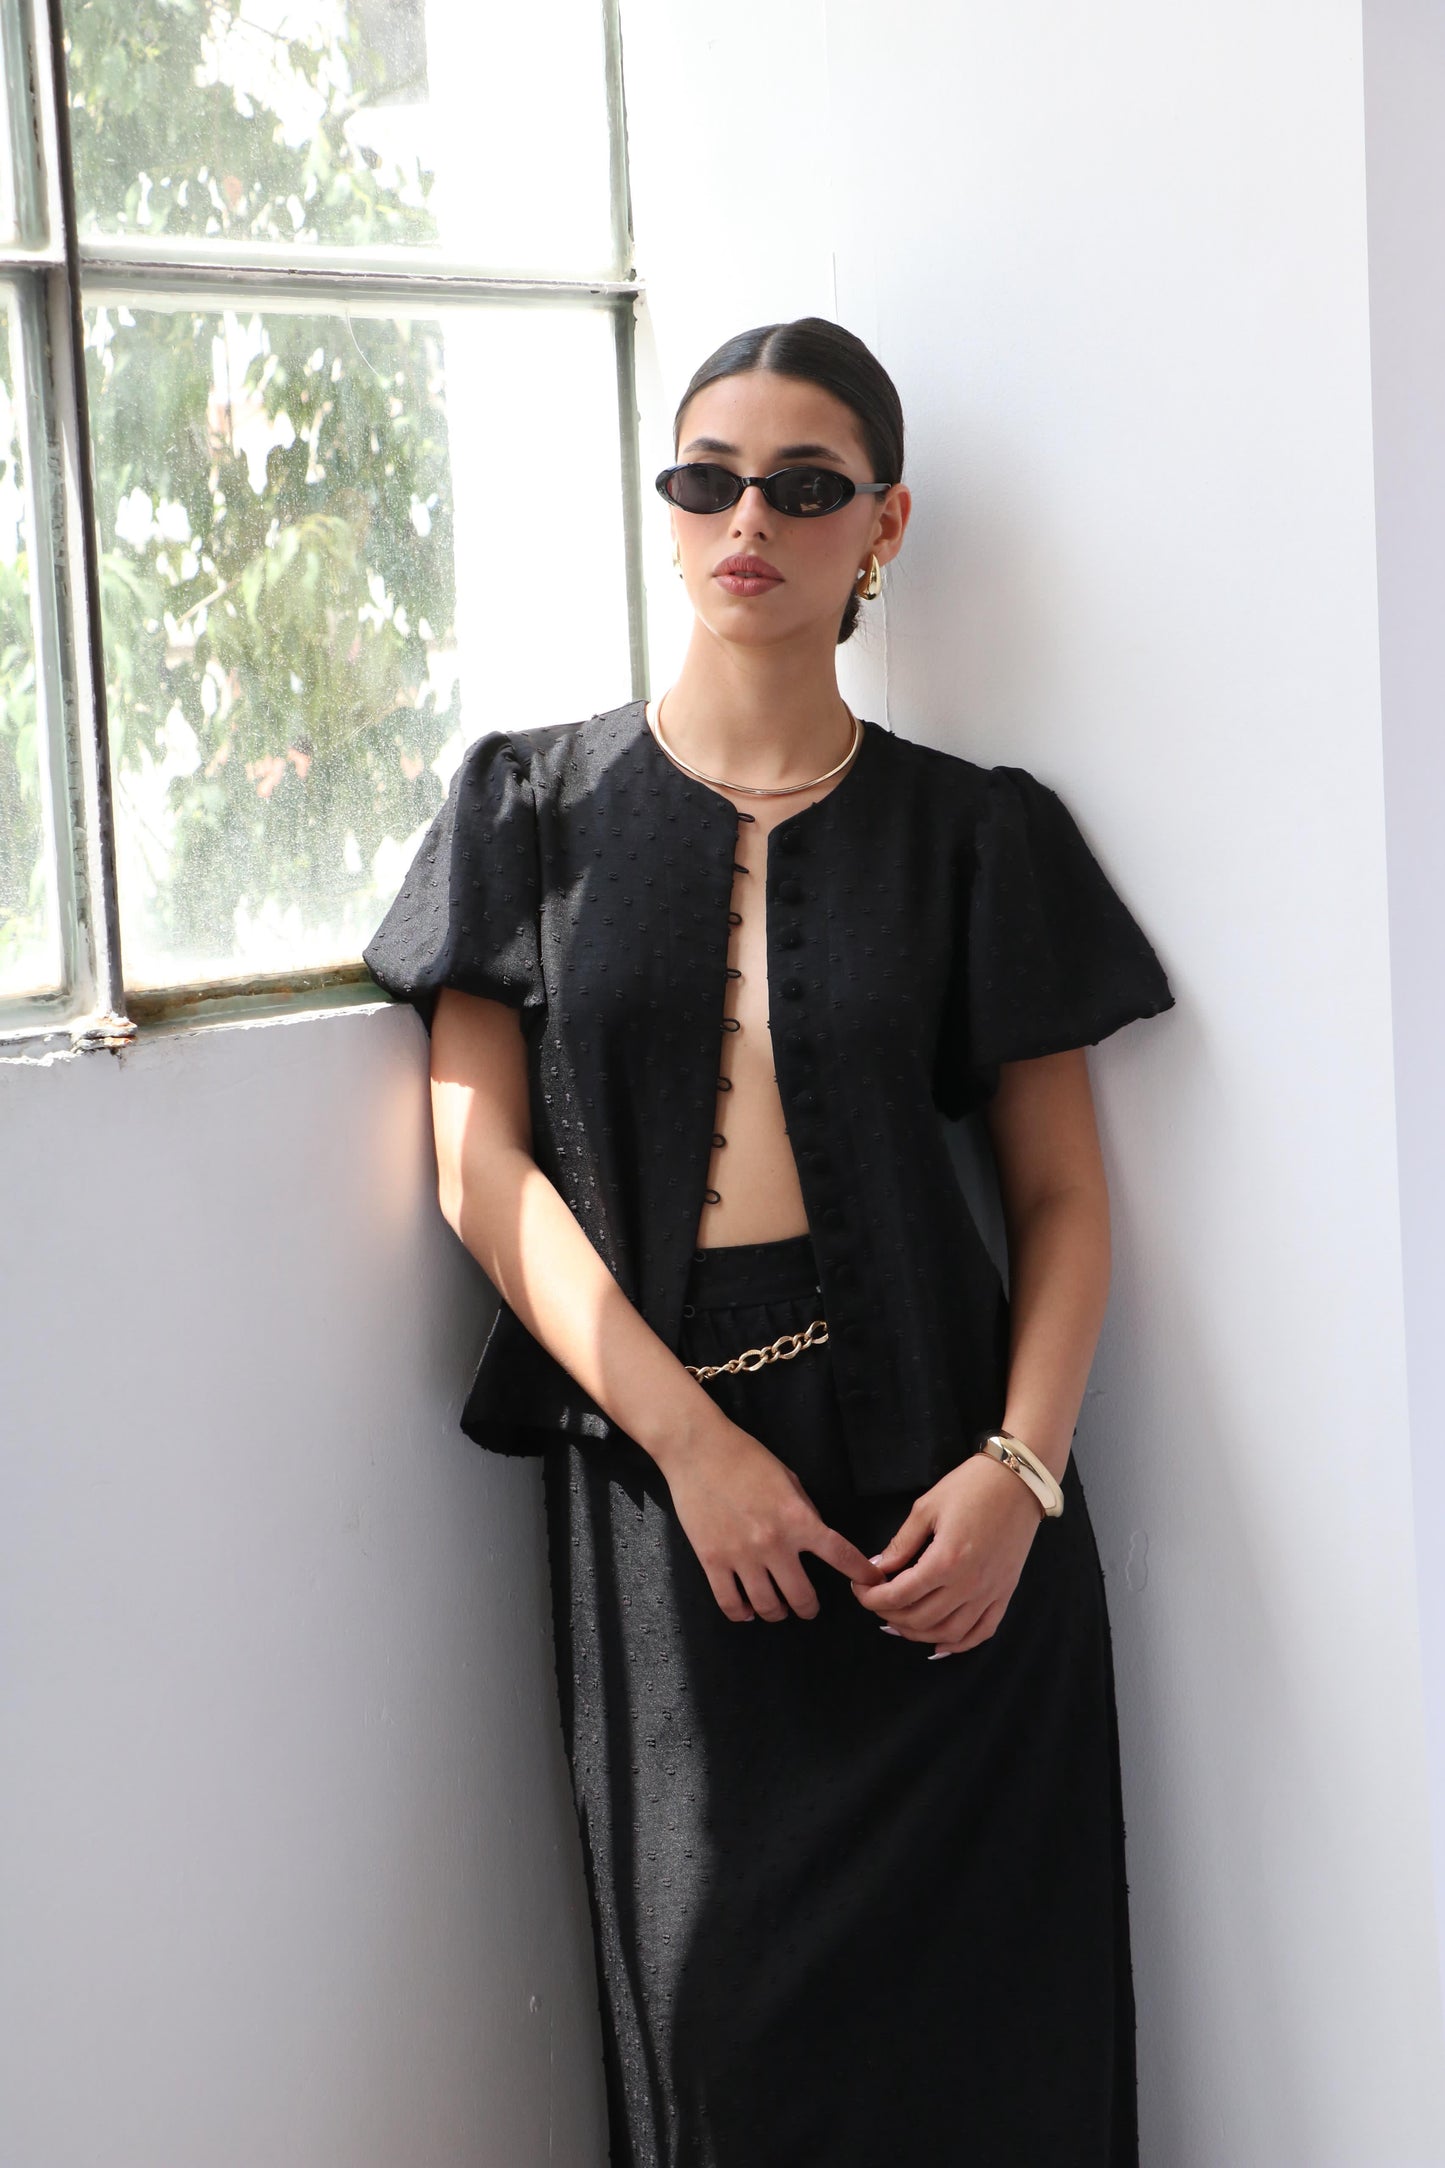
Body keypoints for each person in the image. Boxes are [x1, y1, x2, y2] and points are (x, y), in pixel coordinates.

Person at [362, 315, 1174, 2166]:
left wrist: (1021, 1474)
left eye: (805, 487)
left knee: (1005, 2042)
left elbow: (1059, 1197)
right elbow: (479, 1169)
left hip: (954, 1519)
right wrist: (692, 1449)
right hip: (676, 1502)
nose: (750, 519)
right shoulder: (527, 810)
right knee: (717, 2028)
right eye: (707, 478)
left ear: (881, 524)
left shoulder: (975, 833)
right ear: (664, 509)